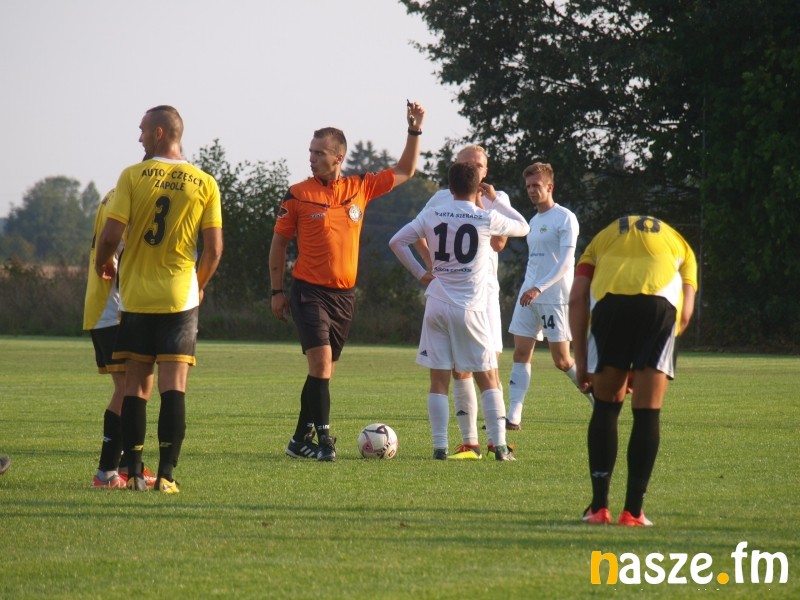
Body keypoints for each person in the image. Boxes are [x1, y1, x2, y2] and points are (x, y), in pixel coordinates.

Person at [270, 101, 426, 462]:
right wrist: (277, 291)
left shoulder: (360, 187)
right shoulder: (298, 193)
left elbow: (406, 170)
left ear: (338, 158)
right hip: (308, 292)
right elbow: (278, 244)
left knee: (323, 373)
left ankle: (299, 440)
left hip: (344, 297)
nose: (311, 158)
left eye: (319, 153)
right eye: (310, 151)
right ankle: (325, 442)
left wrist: (414, 129)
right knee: (321, 365)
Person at [95, 105, 223, 493]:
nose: (139, 137)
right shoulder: (204, 182)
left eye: (143, 130)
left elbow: (111, 234)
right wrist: (198, 285)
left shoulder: (132, 176)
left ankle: (134, 471)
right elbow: (214, 250)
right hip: (179, 297)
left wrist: (104, 262)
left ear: (160, 133)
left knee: (135, 387)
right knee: (174, 386)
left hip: (136, 297)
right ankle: (166, 475)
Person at [389, 161, 530, 461]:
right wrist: (494, 198)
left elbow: (397, 241)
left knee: (439, 379)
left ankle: (440, 448)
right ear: (477, 186)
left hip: (436, 303)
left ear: (450, 187)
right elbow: (523, 226)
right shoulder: (485, 216)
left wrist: (421, 274)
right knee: (488, 376)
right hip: (470, 307)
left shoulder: (433, 213)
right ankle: (500, 447)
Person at [569, 215, 697, 526]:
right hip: (659, 308)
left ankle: (599, 508)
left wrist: (582, 362)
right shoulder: (680, 245)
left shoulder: (599, 240)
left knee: (606, 408)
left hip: (610, 307)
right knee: (647, 412)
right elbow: (685, 313)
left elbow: (576, 298)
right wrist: (645, 361)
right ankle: (633, 512)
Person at [412, 145, 513, 460]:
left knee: (488, 367)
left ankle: (497, 441)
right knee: (458, 370)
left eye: (479, 165)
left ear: (486, 169)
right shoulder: (440, 198)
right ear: (457, 167)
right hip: (452, 293)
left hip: (485, 295)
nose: (474, 169)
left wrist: (481, 202)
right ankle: (471, 443)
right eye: (467, 164)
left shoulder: (498, 198)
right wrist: (430, 265)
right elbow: (417, 233)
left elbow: (499, 243)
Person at [506, 162, 591, 430]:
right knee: (521, 353)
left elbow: (566, 262)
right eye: (528, 186)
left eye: (537, 185)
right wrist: (529, 287)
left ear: (550, 186)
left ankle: (599, 401)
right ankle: (513, 417)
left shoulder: (565, 218)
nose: (532, 190)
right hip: (528, 296)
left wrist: (539, 287)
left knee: (562, 360)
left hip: (554, 297)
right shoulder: (533, 221)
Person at [84, 188, 158, 489]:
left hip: (106, 307)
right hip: (113, 309)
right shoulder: (133, 194)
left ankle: (127, 465)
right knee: (130, 388)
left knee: (134, 387)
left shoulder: (118, 193)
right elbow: (113, 241)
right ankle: (106, 472)